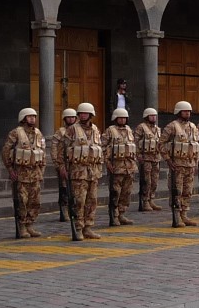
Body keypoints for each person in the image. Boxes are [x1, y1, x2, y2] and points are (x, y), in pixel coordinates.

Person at [59, 101, 104, 239]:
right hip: (78, 172)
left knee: (92, 201)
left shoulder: (95, 129)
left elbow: (99, 148)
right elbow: (62, 149)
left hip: (93, 172)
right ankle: (78, 228)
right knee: (79, 201)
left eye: (86, 113)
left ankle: (88, 227)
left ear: (91, 115)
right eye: (81, 113)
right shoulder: (72, 130)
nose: (83, 115)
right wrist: (62, 167)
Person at [2, 107, 46, 238]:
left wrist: (42, 170)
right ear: (23, 118)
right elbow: (6, 151)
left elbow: (43, 153)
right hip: (21, 174)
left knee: (35, 201)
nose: (32, 119)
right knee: (22, 201)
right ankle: (21, 226)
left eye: (34, 116)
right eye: (29, 116)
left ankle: (30, 225)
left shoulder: (38, 133)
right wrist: (10, 169)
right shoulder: (16, 133)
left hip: (35, 173)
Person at [160, 100, 199, 227]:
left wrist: (196, 162)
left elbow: (196, 145)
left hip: (190, 164)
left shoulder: (193, 127)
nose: (187, 113)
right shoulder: (172, 126)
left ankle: (184, 214)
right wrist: (168, 159)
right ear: (178, 112)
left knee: (188, 191)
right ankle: (176, 216)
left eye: (189, 111)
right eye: (185, 111)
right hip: (177, 165)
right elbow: (161, 143)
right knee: (177, 191)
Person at [103, 108, 137, 225]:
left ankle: (122, 213)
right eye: (120, 118)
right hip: (116, 167)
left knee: (126, 193)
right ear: (115, 118)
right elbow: (103, 147)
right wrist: (107, 163)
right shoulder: (110, 131)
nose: (122, 120)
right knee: (115, 193)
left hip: (129, 167)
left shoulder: (129, 130)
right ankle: (114, 215)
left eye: (124, 118)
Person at [135, 107, 163, 212]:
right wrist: (138, 155)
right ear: (146, 117)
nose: (154, 118)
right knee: (146, 181)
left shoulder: (157, 129)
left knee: (154, 181)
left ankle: (151, 199)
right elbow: (135, 142)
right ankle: (145, 201)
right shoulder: (141, 127)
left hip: (156, 158)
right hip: (145, 158)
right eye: (151, 116)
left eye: (155, 116)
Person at [53, 107, 77, 221]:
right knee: (64, 189)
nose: (71, 119)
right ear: (64, 119)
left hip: (76, 164)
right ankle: (64, 210)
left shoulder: (78, 131)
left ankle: (73, 209)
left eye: (73, 117)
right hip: (64, 164)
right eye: (68, 117)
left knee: (75, 189)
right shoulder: (60, 132)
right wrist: (58, 165)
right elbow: (54, 148)